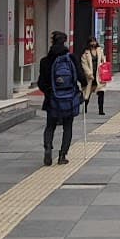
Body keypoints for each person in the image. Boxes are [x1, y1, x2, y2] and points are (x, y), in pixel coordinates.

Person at [36, 33, 85, 164]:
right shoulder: (71, 58)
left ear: (52, 42)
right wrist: (83, 88)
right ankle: (62, 155)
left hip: (52, 99)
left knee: (50, 126)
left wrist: (49, 92)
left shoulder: (45, 61)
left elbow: (41, 83)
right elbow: (81, 76)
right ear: (65, 42)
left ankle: (47, 148)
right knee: (68, 126)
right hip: (69, 98)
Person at [79, 37, 105, 115]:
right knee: (88, 93)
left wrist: (103, 63)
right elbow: (84, 64)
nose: (93, 43)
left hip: (98, 75)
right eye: (91, 42)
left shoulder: (99, 50)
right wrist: (89, 74)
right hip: (90, 76)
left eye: (94, 41)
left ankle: (101, 110)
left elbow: (103, 60)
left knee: (101, 92)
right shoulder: (85, 53)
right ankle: (85, 107)